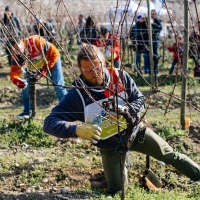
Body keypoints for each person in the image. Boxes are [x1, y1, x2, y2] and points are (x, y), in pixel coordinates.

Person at [43, 44, 200, 195]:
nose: (94, 73)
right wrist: (76, 130)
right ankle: (122, 165)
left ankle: (197, 176)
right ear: (80, 69)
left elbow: (140, 99)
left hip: (137, 133)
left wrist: (127, 111)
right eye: (88, 70)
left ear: (104, 63)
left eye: (98, 68)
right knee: (117, 190)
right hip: (110, 146)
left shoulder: (120, 77)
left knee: (169, 155)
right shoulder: (77, 96)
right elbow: (49, 122)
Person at [9, 35, 67, 117]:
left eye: (19, 49)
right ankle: (27, 112)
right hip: (34, 66)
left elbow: (54, 53)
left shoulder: (36, 42)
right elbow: (14, 72)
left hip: (51, 59)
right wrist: (17, 81)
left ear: (22, 43)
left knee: (58, 84)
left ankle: (67, 109)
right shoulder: (15, 56)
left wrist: (44, 71)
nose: (18, 52)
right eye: (15, 51)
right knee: (26, 87)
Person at [151, 10, 162, 75]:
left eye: (153, 14)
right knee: (149, 57)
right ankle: (150, 71)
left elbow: (160, 28)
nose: (152, 15)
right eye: (151, 14)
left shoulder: (158, 21)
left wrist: (152, 24)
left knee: (155, 56)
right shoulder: (147, 20)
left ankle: (156, 71)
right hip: (148, 41)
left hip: (155, 41)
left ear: (156, 14)